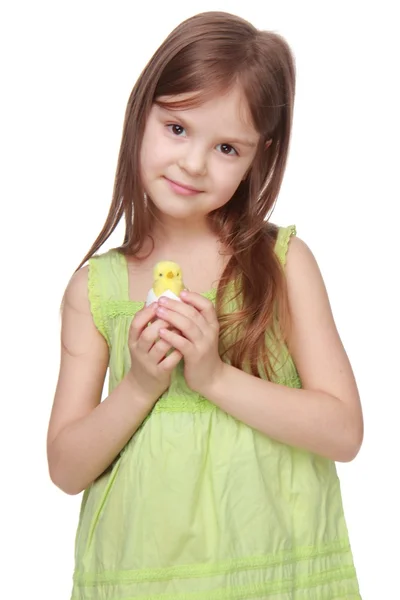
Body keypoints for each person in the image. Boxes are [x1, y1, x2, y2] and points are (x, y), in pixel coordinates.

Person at [47, 10, 363, 600]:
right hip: (141, 577)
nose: (193, 163)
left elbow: (344, 432)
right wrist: (141, 385)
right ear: (141, 113)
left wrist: (213, 376)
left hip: (274, 574)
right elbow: (66, 469)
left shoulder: (283, 263)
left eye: (225, 147)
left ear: (257, 157)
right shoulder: (97, 288)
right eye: (176, 128)